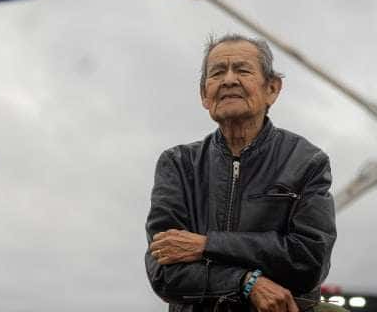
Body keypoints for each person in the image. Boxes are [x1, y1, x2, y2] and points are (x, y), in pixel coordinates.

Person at [144, 34, 338, 312]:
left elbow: (309, 261)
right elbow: (165, 272)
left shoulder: (306, 161)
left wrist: (207, 245)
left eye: (243, 70)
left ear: (271, 88)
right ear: (204, 95)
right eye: (217, 73)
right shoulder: (177, 164)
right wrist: (246, 282)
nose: (229, 80)